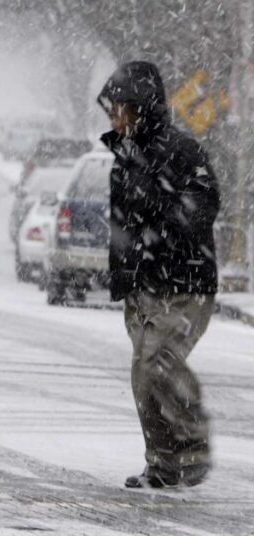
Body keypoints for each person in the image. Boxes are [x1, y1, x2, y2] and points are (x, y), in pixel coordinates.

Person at [98, 61, 220, 489]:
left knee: (160, 364)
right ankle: (164, 464)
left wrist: (165, 226)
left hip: (183, 283)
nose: (113, 116)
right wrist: (122, 276)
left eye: (119, 107)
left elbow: (204, 204)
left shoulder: (181, 151)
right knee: (144, 378)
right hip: (143, 287)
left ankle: (192, 445)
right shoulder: (124, 159)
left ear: (140, 107)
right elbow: (121, 225)